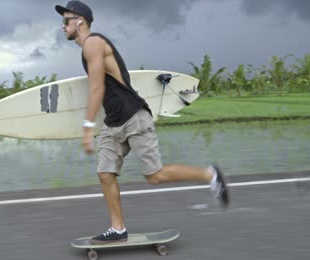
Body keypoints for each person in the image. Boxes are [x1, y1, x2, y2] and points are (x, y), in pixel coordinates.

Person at [55, 1, 230, 245]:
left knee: (155, 176)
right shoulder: (87, 48)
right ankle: (118, 229)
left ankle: (210, 174)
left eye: (66, 20)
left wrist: (86, 129)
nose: (62, 26)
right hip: (114, 122)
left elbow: (97, 88)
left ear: (80, 21)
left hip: (134, 117)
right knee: (105, 173)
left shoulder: (93, 43)